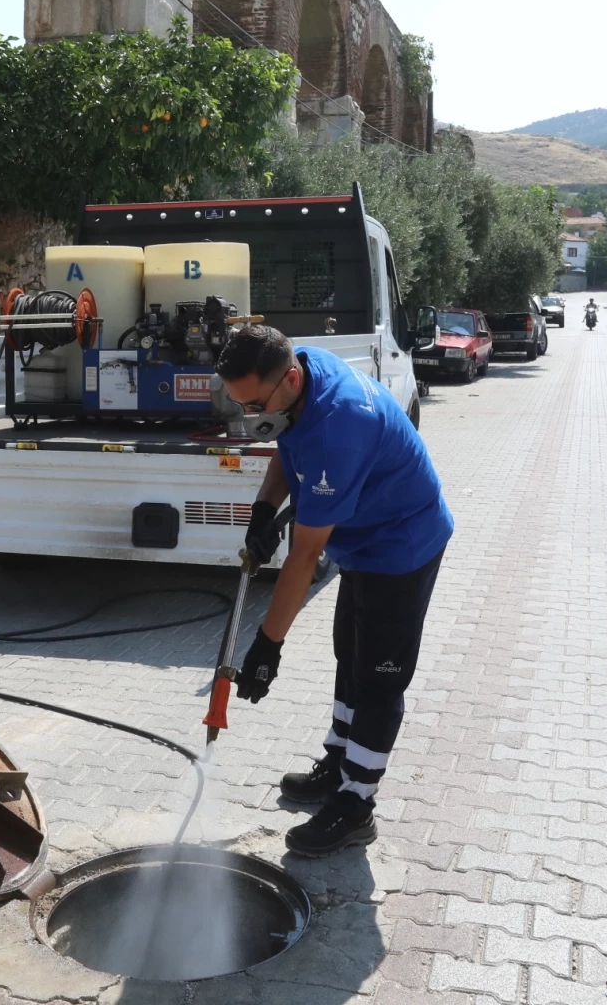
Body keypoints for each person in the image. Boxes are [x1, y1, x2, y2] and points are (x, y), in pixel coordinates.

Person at [216, 325, 453, 857]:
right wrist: (262, 508)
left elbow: (303, 557)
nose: (251, 415)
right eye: (240, 404)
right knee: (350, 650)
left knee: (378, 679)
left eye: (254, 402)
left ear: (290, 378)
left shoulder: (341, 424)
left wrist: (267, 646)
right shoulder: (302, 368)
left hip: (403, 543)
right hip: (363, 542)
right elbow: (286, 438)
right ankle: (338, 764)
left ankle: (356, 804)